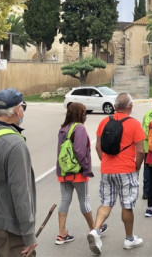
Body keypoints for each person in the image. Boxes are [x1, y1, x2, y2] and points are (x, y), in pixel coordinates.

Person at [0, 88, 37, 257]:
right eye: (23, 107)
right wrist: (29, 235)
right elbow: (21, 193)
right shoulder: (14, 144)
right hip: (9, 229)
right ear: (17, 110)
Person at [87, 93, 145, 254]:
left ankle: (95, 230)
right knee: (126, 205)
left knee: (106, 203)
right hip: (126, 170)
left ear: (114, 106)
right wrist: (136, 167)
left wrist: (104, 161)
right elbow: (140, 150)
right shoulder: (134, 124)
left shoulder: (104, 122)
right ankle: (129, 238)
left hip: (107, 170)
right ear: (130, 107)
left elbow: (98, 146)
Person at [56, 102, 107, 245]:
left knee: (64, 200)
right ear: (79, 114)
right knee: (84, 200)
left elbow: (60, 151)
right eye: (84, 112)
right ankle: (93, 228)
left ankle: (61, 234)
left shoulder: (63, 129)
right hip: (78, 172)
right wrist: (86, 168)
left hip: (64, 172)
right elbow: (79, 151)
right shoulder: (80, 128)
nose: (85, 115)